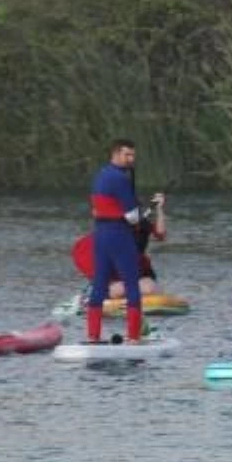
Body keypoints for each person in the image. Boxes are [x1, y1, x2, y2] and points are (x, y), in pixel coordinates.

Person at [85, 139, 145, 343]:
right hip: (119, 235)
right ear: (116, 154)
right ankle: (134, 338)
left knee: (99, 286)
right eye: (128, 155)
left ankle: (93, 337)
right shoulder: (120, 178)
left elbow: (97, 207)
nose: (131, 159)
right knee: (132, 286)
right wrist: (140, 219)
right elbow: (132, 216)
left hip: (100, 235)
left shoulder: (100, 175)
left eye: (133, 155)